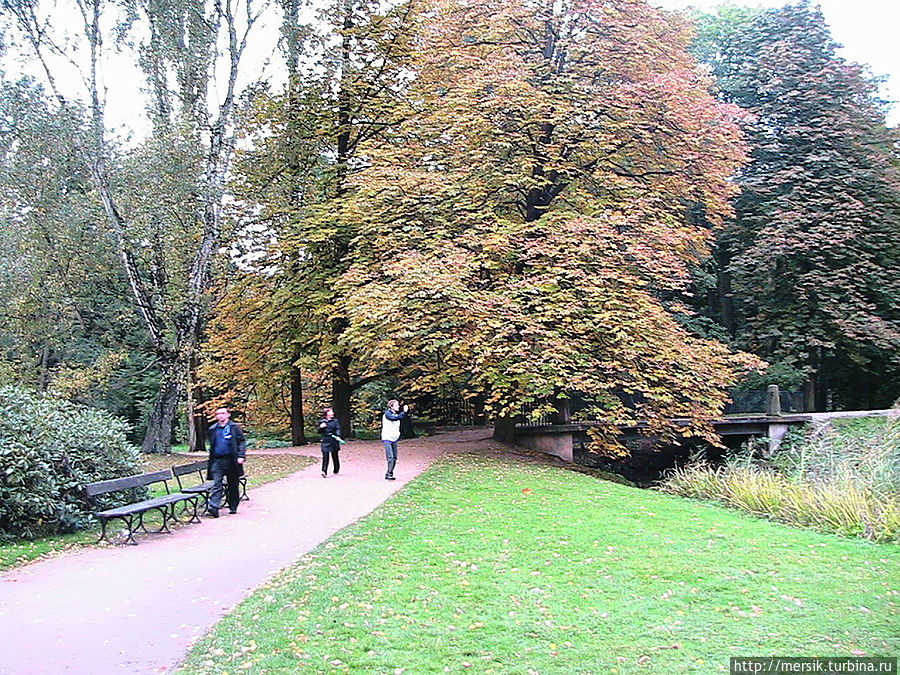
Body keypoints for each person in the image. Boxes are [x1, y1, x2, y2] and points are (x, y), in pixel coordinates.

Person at [206, 407, 246, 517]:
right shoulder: (213, 429)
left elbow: (241, 442)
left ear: (228, 415)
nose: (220, 416)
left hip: (232, 460)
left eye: (223, 413)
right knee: (217, 483)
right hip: (217, 460)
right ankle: (214, 506)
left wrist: (241, 456)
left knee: (233, 484)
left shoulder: (234, 427)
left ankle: (233, 506)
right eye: (218, 414)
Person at [381, 399, 408, 480]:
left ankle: (389, 472)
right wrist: (404, 412)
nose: (398, 406)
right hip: (387, 438)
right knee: (390, 457)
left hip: (394, 438)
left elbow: (398, 418)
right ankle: (389, 473)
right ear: (391, 406)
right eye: (396, 405)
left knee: (395, 457)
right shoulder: (387, 414)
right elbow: (394, 418)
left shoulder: (396, 415)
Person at [318, 407, 342, 477]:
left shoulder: (335, 421)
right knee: (325, 456)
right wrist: (321, 427)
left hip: (334, 440)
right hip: (325, 440)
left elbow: (338, 429)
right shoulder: (322, 421)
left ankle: (336, 469)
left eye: (332, 412)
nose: (332, 413)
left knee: (335, 455)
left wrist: (338, 436)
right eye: (331, 412)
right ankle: (324, 471)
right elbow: (319, 431)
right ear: (326, 413)